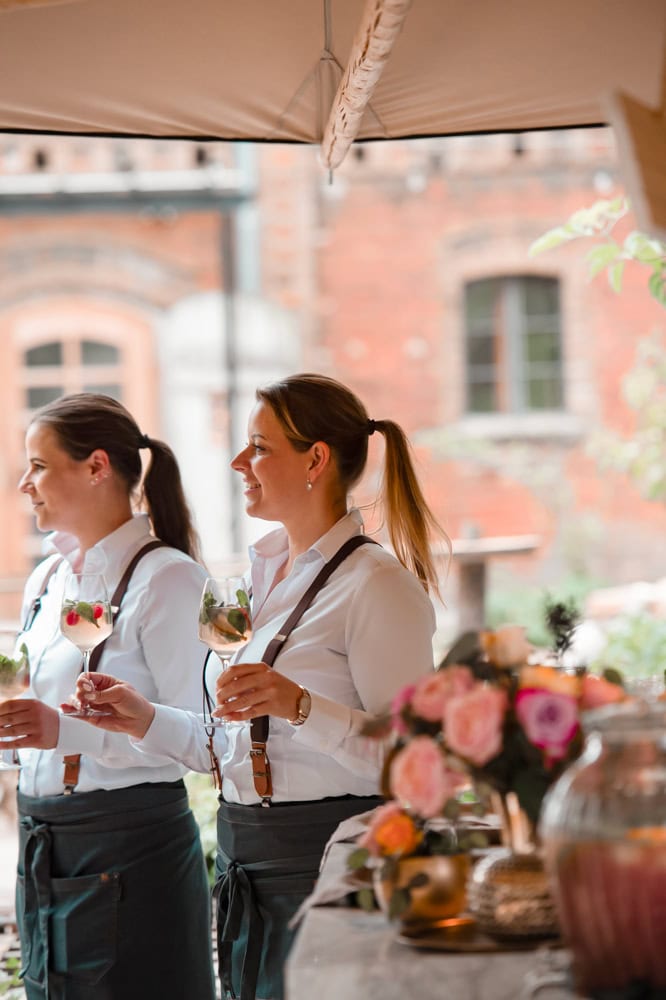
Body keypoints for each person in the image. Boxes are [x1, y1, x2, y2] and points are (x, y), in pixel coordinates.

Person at [72, 373, 447, 1000]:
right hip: (246, 864)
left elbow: (415, 762)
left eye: (260, 447)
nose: (238, 462)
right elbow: (233, 745)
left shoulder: (377, 585)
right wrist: (144, 718)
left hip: (329, 870)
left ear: (316, 460)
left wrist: (300, 706)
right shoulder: (258, 582)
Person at [0, 393, 216, 1000]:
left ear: (97, 466)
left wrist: (62, 731)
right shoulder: (47, 579)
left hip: (131, 852)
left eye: (39, 466)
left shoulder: (169, 579)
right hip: (45, 847)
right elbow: (28, 697)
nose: (24, 484)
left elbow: (203, 738)